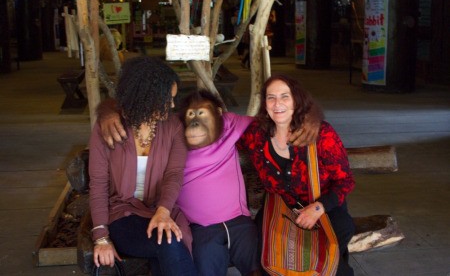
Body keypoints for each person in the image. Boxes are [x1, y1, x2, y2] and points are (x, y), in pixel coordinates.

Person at [97, 90, 323, 275]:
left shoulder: (231, 124)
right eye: (191, 116)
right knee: (204, 267)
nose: (194, 124)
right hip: (200, 229)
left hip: (240, 223)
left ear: (218, 113)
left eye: (202, 115)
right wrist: (107, 111)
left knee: (263, 265)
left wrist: (312, 115)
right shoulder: (174, 131)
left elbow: (277, 119)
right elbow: (137, 109)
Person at [88, 56, 197, 276]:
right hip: (123, 215)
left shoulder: (174, 127)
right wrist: (101, 237)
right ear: (146, 96)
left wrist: (164, 211)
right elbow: (98, 185)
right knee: (168, 242)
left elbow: (174, 174)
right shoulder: (109, 129)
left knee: (166, 245)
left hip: (162, 209)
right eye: (168, 98)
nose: (173, 105)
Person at [238, 74, 356, 276]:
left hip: (324, 208)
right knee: (268, 258)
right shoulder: (256, 134)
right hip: (280, 209)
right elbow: (224, 137)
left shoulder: (320, 133)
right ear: (264, 103)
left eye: (285, 96)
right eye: (271, 97)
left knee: (326, 262)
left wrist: (318, 208)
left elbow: (345, 181)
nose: (277, 104)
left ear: (296, 100)